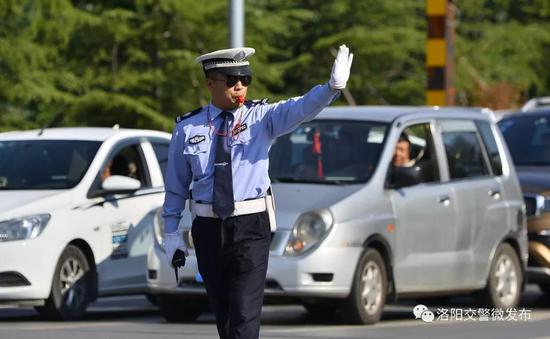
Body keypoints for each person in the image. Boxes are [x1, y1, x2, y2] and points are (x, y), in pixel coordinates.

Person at [162, 45, 353, 339]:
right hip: (208, 227)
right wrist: (172, 232)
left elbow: (300, 107)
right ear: (210, 83)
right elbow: (176, 186)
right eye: (231, 80)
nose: (240, 87)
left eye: (245, 79)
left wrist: (330, 89)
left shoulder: (262, 117)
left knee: (244, 311)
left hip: (250, 226)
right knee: (224, 312)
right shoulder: (188, 128)